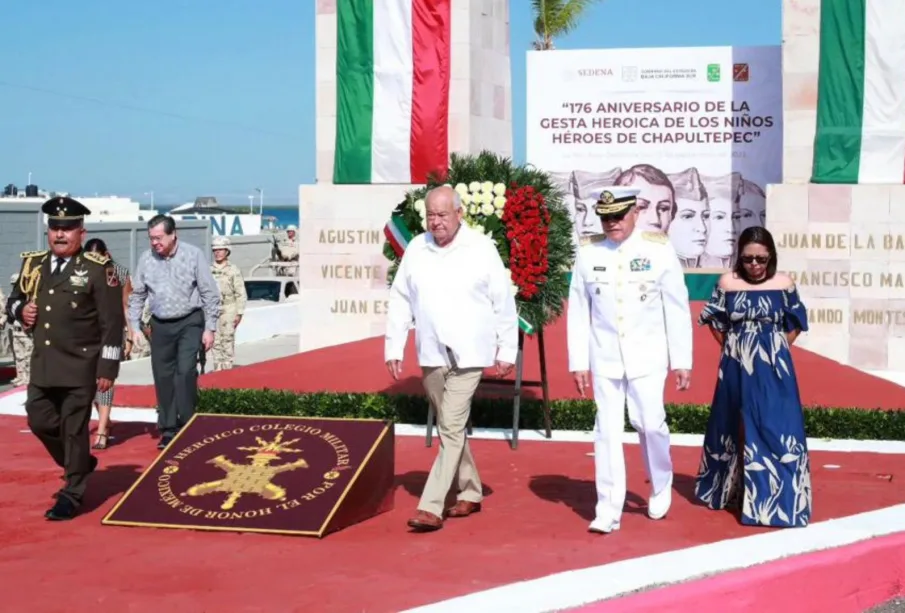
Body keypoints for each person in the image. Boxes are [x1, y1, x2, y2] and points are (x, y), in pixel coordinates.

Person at [384, 185, 518, 532]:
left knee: (451, 425)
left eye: (443, 214)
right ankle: (471, 491)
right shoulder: (416, 248)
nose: (436, 222)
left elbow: (502, 300)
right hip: (431, 352)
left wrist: (507, 349)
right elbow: (400, 299)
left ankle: (431, 506)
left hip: (470, 353)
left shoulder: (481, 248)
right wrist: (393, 346)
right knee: (451, 428)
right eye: (430, 215)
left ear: (459, 214)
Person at [567, 187, 693, 534]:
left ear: (635, 212)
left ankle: (660, 481)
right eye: (605, 217)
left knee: (650, 424)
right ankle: (608, 508)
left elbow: (676, 307)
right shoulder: (589, 252)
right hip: (605, 356)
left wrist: (682, 359)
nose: (611, 224)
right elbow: (578, 310)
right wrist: (578, 361)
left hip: (648, 355)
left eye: (618, 217)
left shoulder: (657, 248)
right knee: (606, 431)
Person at [5, 196, 124, 520]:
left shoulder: (99, 270)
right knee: (39, 419)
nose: (60, 234)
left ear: (80, 232)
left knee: (74, 429)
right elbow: (12, 301)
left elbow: (113, 324)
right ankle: (81, 463)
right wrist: (21, 310)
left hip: (80, 366)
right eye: (55, 228)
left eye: (67, 228)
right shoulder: (34, 264)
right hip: (44, 363)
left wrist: (108, 368)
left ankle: (72, 493)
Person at [695, 226, 812, 527]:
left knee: (778, 425)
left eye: (761, 259)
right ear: (740, 257)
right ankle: (730, 491)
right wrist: (733, 348)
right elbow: (713, 318)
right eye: (748, 259)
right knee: (732, 423)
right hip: (735, 362)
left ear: (771, 256)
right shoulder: (727, 282)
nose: (755, 265)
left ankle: (781, 502)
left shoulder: (783, 283)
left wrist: (777, 347)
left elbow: (797, 320)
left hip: (773, 364)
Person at [128, 215, 220, 450]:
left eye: (159, 238)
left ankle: (187, 424)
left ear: (172, 234)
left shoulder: (193, 255)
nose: (154, 243)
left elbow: (209, 293)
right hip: (160, 325)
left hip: (190, 321)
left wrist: (210, 328)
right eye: (151, 239)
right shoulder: (146, 259)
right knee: (163, 375)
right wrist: (134, 325)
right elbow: (137, 294)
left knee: (185, 371)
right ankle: (168, 429)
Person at [82, 238, 133, 450]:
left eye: (99, 257)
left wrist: (130, 334)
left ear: (106, 254)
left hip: (110, 334)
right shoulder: (80, 272)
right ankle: (105, 419)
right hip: (85, 335)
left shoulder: (118, 272)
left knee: (105, 381)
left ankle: (102, 429)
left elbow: (126, 305)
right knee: (89, 383)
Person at [210, 236, 247, 371]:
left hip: (229, 308)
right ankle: (217, 369)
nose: (217, 252)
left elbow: (240, 293)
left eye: (221, 250)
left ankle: (227, 370)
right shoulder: (209, 270)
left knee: (227, 340)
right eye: (215, 250)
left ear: (227, 251)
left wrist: (239, 313)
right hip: (213, 309)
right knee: (215, 341)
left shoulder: (233, 270)